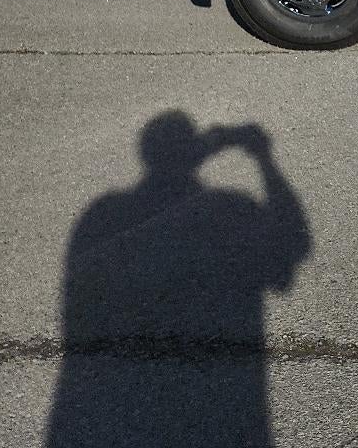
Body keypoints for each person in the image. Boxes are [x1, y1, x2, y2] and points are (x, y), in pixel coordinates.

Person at [45, 112, 310, 447]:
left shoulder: (101, 218)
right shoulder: (228, 212)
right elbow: (291, 250)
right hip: (218, 407)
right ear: (196, 154)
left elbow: (79, 313)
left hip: (120, 409)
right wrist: (263, 157)